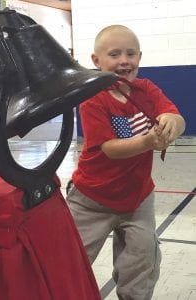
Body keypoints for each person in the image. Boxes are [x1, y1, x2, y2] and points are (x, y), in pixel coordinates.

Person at [66, 25, 186, 300]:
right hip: (90, 200)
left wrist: (171, 122)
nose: (124, 60)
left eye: (130, 54)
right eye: (114, 54)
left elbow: (176, 117)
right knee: (71, 259)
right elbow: (110, 149)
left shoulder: (146, 89)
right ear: (97, 61)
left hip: (137, 199)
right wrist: (147, 142)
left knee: (141, 261)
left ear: (139, 58)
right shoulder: (92, 98)